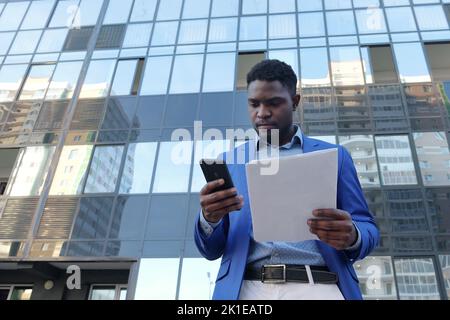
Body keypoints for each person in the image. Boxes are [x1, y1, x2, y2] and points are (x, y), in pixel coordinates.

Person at [194, 59, 380, 300]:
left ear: (295, 102)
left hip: (319, 287)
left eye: (273, 103)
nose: (261, 113)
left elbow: (367, 227)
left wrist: (353, 235)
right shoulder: (230, 161)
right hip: (247, 290)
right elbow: (210, 250)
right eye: (253, 104)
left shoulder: (336, 157)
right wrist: (210, 218)